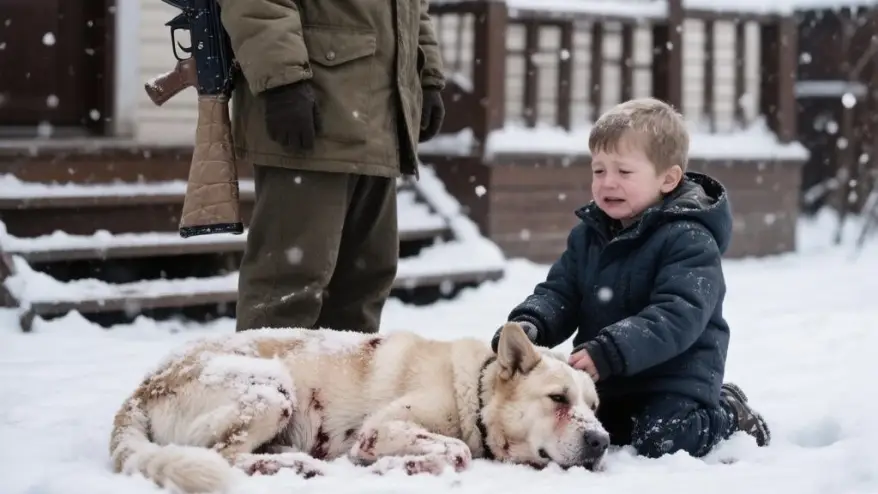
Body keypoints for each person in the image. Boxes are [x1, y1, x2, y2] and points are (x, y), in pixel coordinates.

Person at [491, 97, 771, 459]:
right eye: (598, 171)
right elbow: (561, 291)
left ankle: (730, 412)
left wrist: (611, 350)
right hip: (607, 376)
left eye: (623, 173)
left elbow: (678, 314)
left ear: (668, 179)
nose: (608, 183)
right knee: (591, 431)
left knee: (661, 439)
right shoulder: (589, 235)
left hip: (675, 378)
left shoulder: (690, 239)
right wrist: (532, 323)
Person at [217, 0, 446, 333]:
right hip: (313, 117)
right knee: (287, 291)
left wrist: (427, 76)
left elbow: (415, 7)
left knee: (364, 283)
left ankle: (340, 385)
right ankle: (266, 383)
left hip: (382, 118)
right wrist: (283, 79)